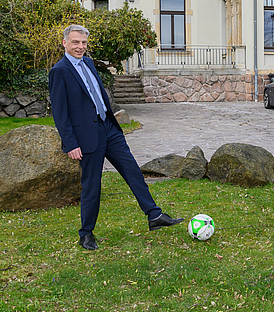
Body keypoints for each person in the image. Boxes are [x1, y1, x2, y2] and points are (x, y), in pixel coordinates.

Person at [49, 24, 184, 250]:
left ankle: (154, 216)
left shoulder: (89, 63)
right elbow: (60, 113)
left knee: (133, 172)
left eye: (83, 42)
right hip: (86, 137)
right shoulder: (59, 71)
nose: (80, 47)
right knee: (91, 186)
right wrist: (70, 143)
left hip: (109, 129)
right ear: (65, 43)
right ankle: (86, 234)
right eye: (75, 42)